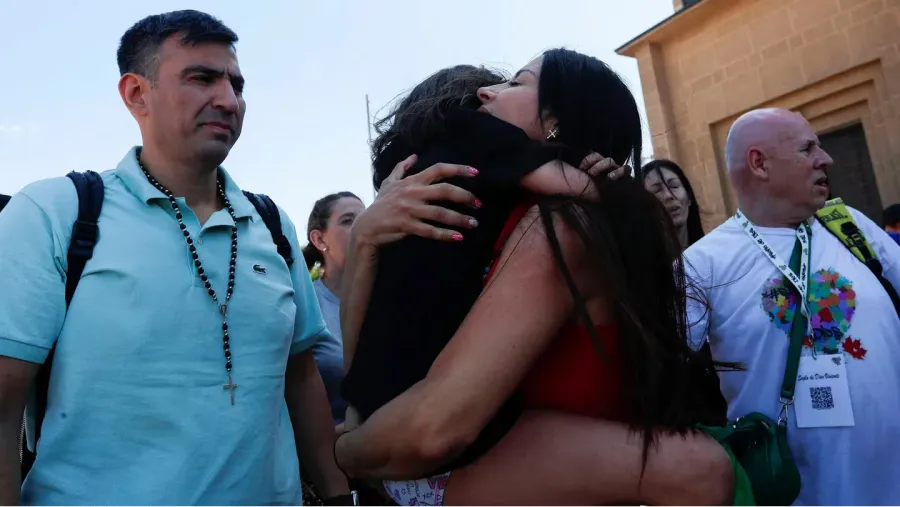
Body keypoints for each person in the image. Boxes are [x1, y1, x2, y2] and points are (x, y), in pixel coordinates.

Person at [337, 51, 736, 505]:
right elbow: (371, 370)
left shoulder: (561, 226)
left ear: (554, 122)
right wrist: (366, 241)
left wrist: (347, 452)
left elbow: (432, 427)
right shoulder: (499, 230)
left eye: (515, 84)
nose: (486, 98)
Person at [0, 10, 349, 505]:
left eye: (237, 84)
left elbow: (300, 376)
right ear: (136, 94)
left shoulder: (271, 224)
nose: (228, 100)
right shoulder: (57, 214)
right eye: (201, 78)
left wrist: (338, 497)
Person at [684, 107, 900, 505]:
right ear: (759, 163)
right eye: (808, 148)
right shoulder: (703, 264)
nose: (826, 158)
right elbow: (651, 372)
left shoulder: (848, 224)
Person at [302, 191, 365, 426]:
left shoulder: (397, 299)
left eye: (367, 218)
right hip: (333, 456)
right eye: (348, 221)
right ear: (319, 240)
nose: (364, 227)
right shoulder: (304, 306)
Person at [642, 158, 705, 249]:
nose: (668, 196)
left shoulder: (711, 251)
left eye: (674, 186)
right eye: (657, 190)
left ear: (689, 197)